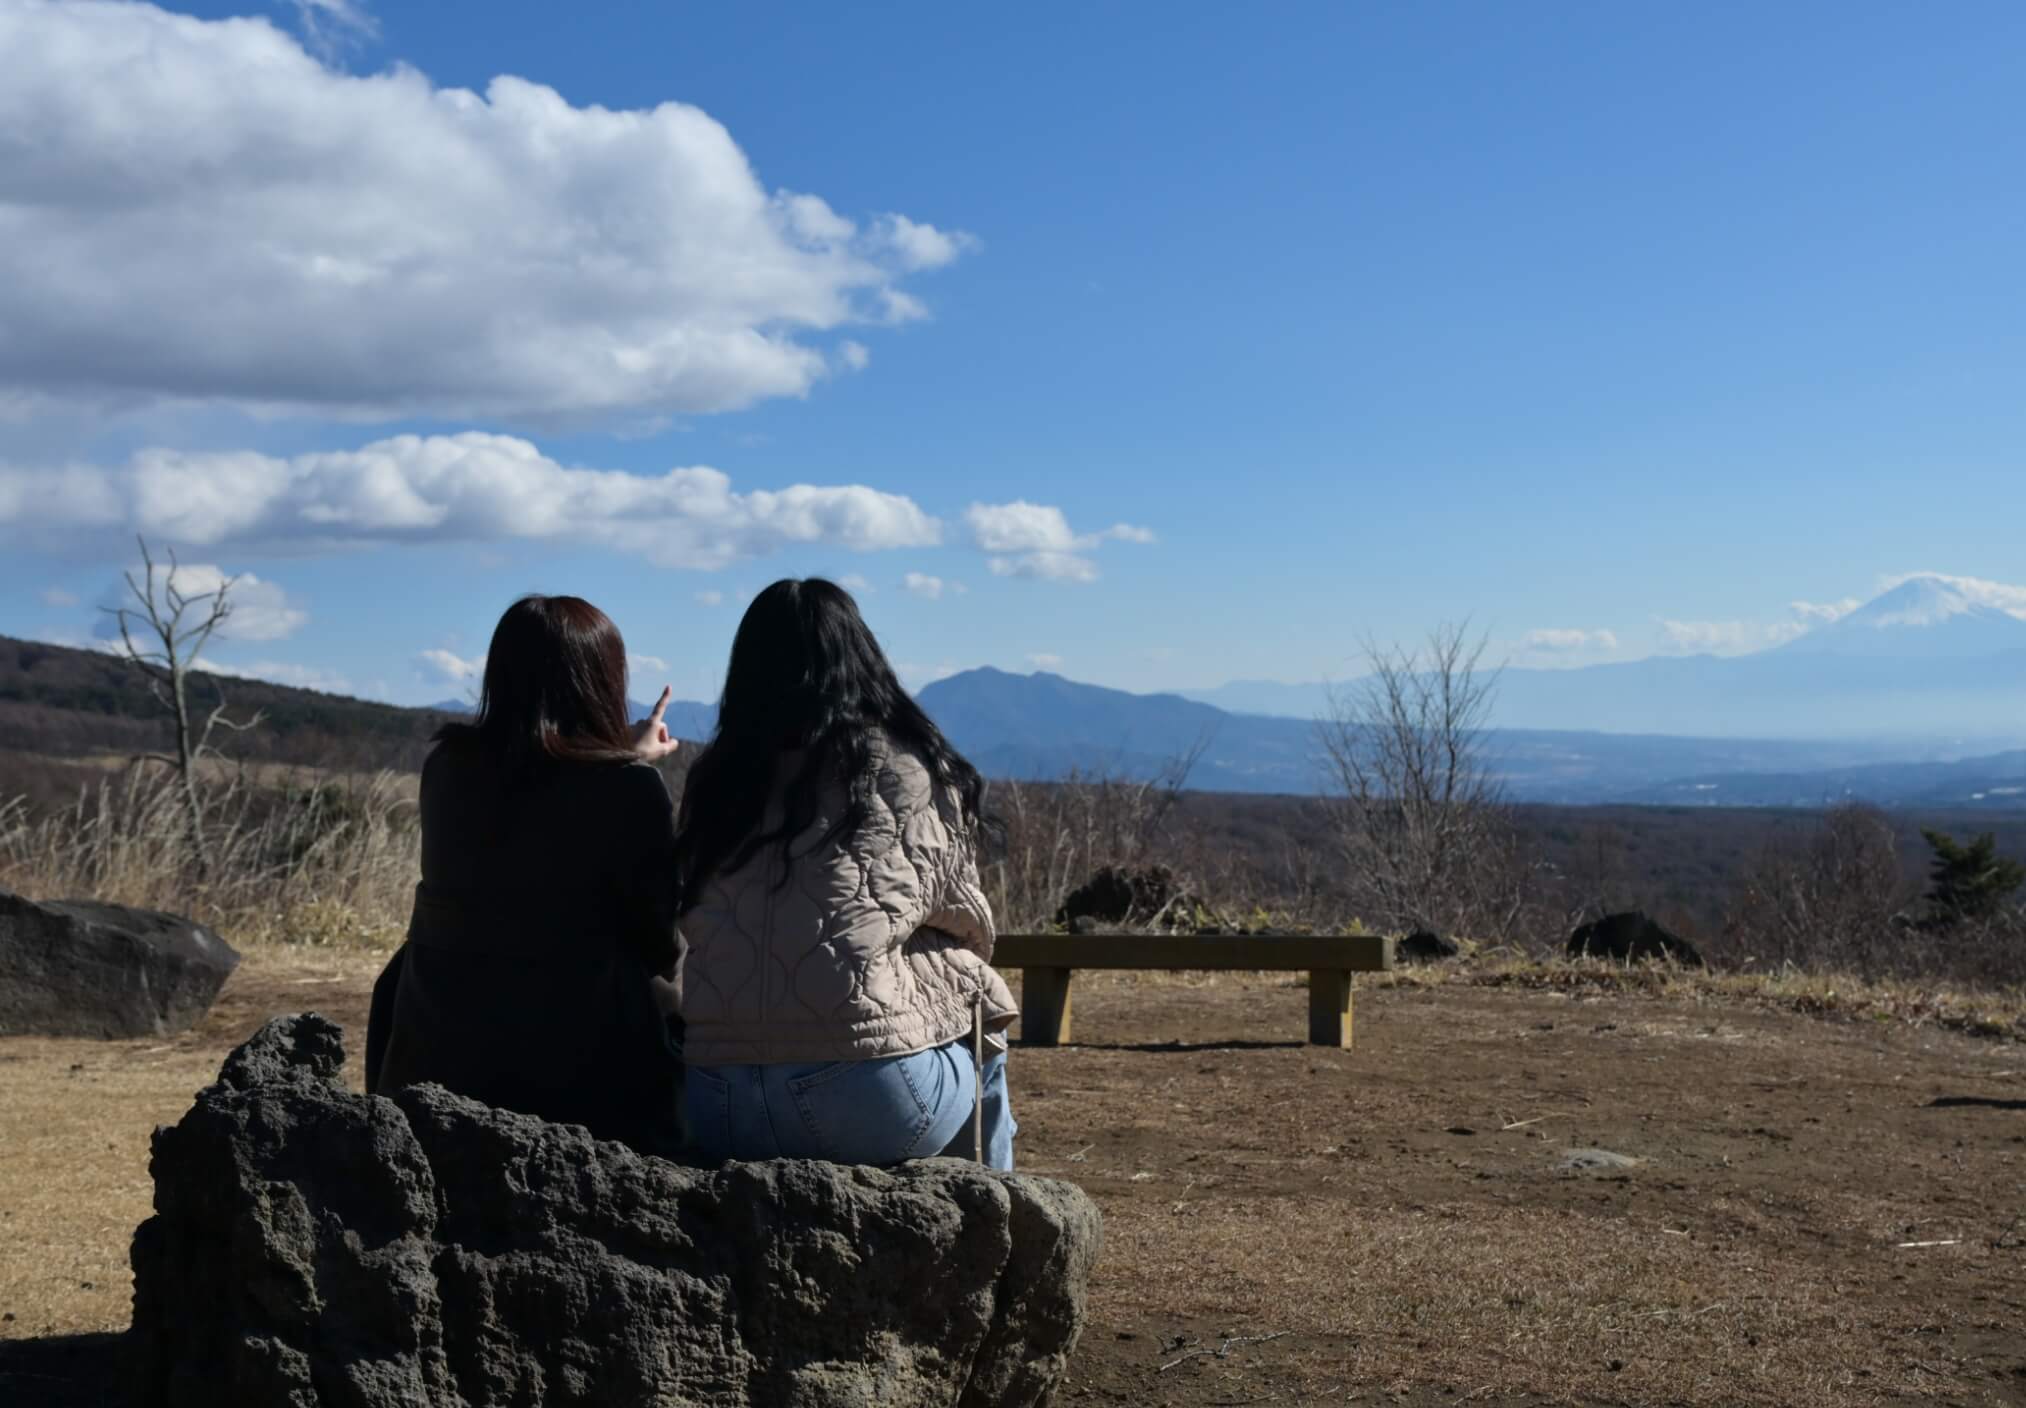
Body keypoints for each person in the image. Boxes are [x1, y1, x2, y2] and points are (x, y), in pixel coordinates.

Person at [674, 578, 1020, 1169]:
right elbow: (969, 923)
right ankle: (994, 1222)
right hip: (863, 1100)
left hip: (716, 1100)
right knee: (978, 1006)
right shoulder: (904, 768)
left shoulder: (716, 779)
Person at [365, 594, 686, 1153]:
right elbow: (660, 944)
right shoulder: (629, 790)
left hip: (432, 1054)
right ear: (603, 679)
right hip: (578, 1084)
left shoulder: (447, 768)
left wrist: (623, 761)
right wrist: (629, 765)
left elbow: (536, 804)